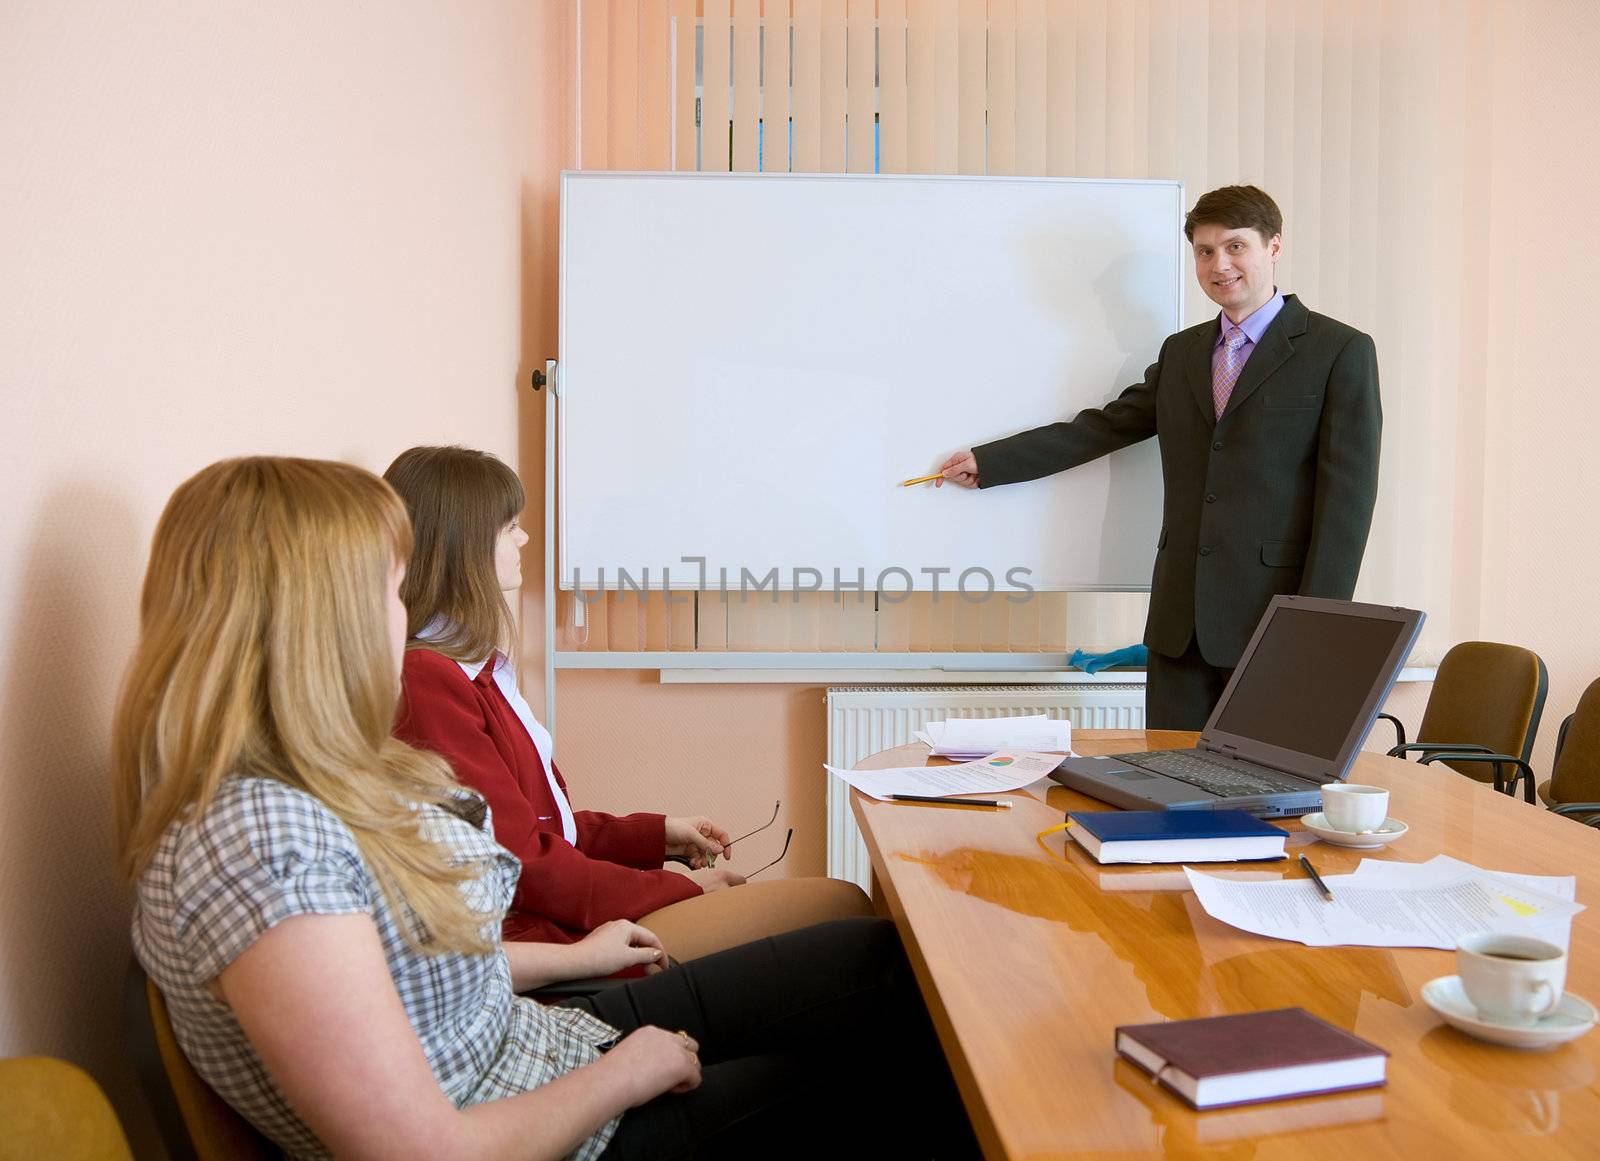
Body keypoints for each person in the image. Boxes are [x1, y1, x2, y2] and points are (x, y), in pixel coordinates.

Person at [115, 456, 976, 1160]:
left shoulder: (308, 782)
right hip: (552, 1119)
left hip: (527, 1043)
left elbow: (409, 963)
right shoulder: (265, 845)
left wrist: (575, 962)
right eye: (388, 587)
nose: (400, 612)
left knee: (877, 964)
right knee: (883, 1078)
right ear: (321, 622)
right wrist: (623, 1074)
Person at [385, 445, 872, 962]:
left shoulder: (469, 668)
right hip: (551, 939)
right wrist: (680, 889)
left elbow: (548, 828)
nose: (524, 537)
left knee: (847, 907)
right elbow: (526, 865)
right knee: (849, 924)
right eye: (510, 527)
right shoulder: (430, 681)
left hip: (565, 916)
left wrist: (655, 836)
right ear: (463, 544)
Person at [938, 185, 1380, 729]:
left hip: (1274, 624)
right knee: (1168, 790)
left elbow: (1348, 503)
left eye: (1236, 246)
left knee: (1263, 801)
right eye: (1205, 251)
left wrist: (1315, 628)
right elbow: (1103, 428)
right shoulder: (1183, 353)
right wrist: (992, 461)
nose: (1220, 264)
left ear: (1274, 247)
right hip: (1179, 627)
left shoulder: (1338, 350)